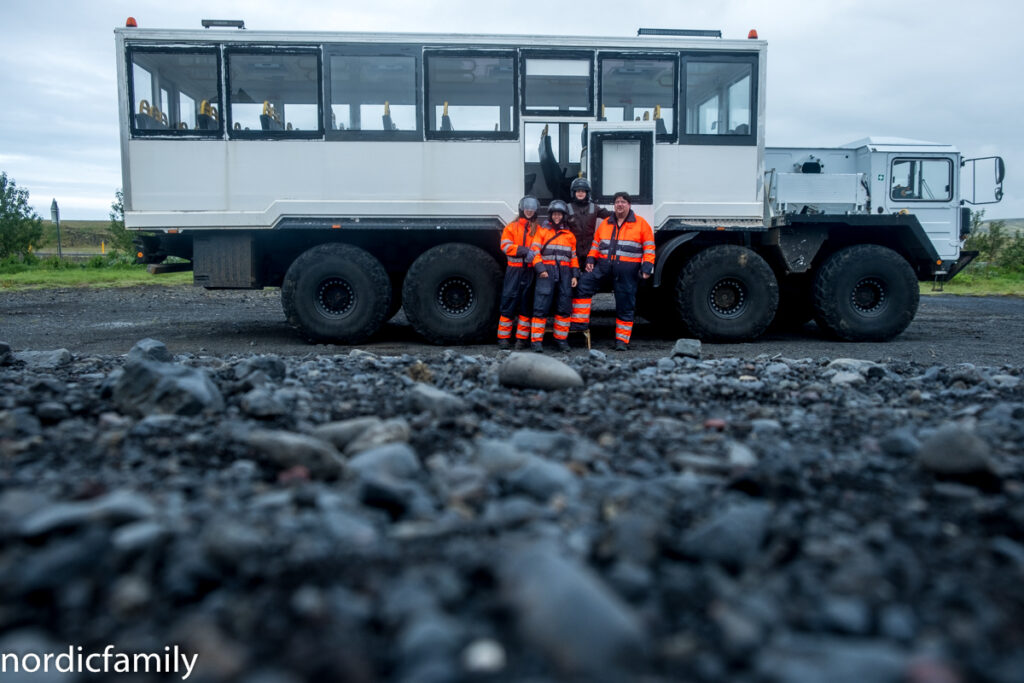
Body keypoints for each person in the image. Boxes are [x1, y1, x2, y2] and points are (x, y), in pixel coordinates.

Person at [571, 191, 655, 351]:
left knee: (625, 304)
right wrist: (590, 259)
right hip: (603, 268)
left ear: (629, 205)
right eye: (617, 202)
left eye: (623, 202)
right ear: (614, 205)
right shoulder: (605, 223)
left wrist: (647, 267)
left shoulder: (641, 224)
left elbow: (649, 247)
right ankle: (579, 325)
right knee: (583, 284)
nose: (620, 204)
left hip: (627, 272)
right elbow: (596, 244)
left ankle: (622, 341)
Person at [528, 200, 578, 352]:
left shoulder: (569, 235)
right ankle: (536, 342)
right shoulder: (542, 231)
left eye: (560, 214)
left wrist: (575, 275)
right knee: (540, 306)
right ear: (550, 215)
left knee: (564, 306)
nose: (557, 217)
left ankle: (561, 340)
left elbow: (573, 257)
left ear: (564, 216)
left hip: (564, 273)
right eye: (555, 214)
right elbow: (534, 252)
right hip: (546, 272)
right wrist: (540, 269)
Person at [498, 196, 541, 349]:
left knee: (525, 305)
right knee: (508, 301)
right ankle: (503, 338)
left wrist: (532, 253)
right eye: (527, 208)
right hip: (514, 271)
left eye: (532, 208)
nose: (529, 211)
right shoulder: (511, 227)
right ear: (522, 209)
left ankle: (521, 339)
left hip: (529, 271)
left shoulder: (537, 229)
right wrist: (524, 251)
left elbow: (538, 246)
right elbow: (505, 246)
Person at [565, 177, 611, 267]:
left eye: (583, 191)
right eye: (578, 191)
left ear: (587, 193)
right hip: (573, 250)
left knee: (589, 275)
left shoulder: (593, 207)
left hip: (590, 251)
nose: (580, 193)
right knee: (574, 276)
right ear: (573, 193)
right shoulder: (568, 207)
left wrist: (623, 213)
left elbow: (608, 215)